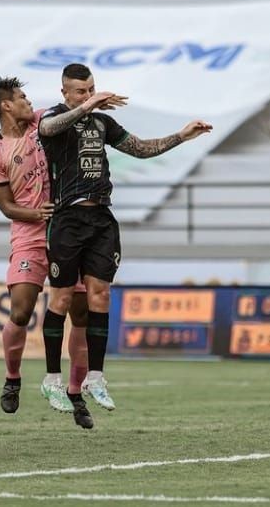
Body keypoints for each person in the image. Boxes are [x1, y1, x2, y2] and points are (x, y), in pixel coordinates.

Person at [38, 63, 212, 428]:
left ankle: (95, 378)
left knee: (100, 295)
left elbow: (141, 149)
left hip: (101, 219)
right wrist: (88, 106)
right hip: (68, 219)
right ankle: (52, 380)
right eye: (80, 91)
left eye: (91, 90)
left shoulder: (103, 124)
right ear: (65, 93)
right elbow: (47, 129)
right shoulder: (53, 118)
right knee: (63, 299)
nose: (88, 96)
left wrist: (181, 136)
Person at [0, 77, 89, 415]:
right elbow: (6, 206)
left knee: (81, 312)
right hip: (29, 236)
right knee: (21, 310)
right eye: (22, 97)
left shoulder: (43, 122)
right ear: (6, 105)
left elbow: (71, 115)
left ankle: (75, 391)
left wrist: (89, 100)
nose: (29, 101)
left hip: (68, 232)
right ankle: (12, 378)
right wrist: (34, 212)